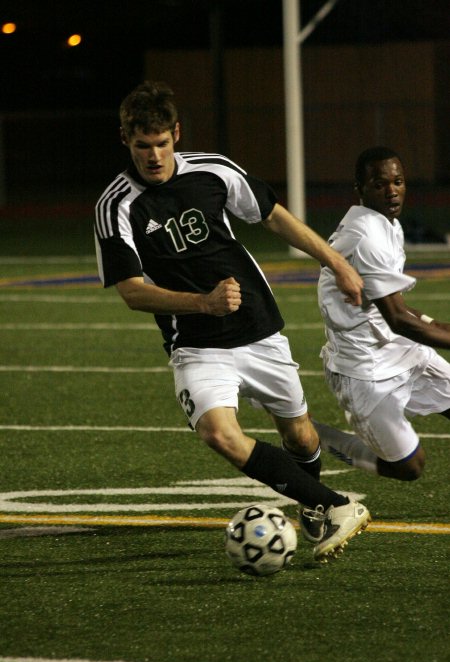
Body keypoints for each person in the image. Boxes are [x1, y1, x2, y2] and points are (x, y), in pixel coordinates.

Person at [94, 80, 370, 562]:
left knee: (300, 436)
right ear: (125, 140)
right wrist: (203, 303)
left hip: (258, 329)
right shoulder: (115, 206)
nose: (154, 156)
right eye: (142, 146)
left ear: (176, 134)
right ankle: (334, 505)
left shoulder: (214, 171)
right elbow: (132, 292)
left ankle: (311, 500)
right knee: (218, 434)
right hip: (196, 345)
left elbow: (272, 216)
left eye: (161, 143)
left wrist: (336, 262)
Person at [315, 146, 450, 482]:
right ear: (360, 189)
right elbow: (398, 319)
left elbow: (398, 306)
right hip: (364, 367)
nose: (391, 191)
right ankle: (311, 435)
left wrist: (435, 324)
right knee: (409, 467)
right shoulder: (367, 236)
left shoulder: (387, 224)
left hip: (396, 347)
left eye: (398, 181)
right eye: (379, 184)